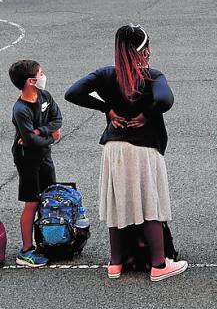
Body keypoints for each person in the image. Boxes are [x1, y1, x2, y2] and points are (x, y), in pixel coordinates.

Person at [65, 25, 188, 282]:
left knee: (118, 203)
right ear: (144, 49)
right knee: (149, 204)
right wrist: (146, 115)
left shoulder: (106, 74)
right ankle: (159, 264)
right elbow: (165, 100)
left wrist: (107, 109)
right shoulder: (151, 76)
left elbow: (72, 92)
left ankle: (115, 263)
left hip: (114, 148)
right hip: (143, 149)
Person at [9, 59, 62, 268]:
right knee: (32, 202)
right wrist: (52, 137)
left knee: (48, 196)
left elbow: (57, 119)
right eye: (40, 73)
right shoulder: (20, 109)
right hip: (27, 159)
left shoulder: (45, 96)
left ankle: (47, 240)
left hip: (44, 155)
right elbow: (29, 142)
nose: (43, 76)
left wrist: (41, 131)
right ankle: (26, 251)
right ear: (31, 81)